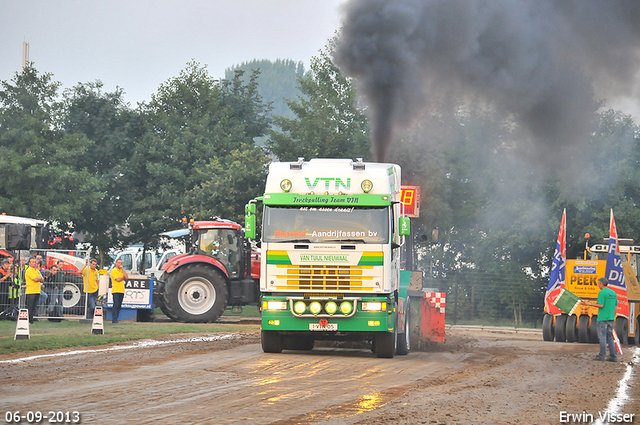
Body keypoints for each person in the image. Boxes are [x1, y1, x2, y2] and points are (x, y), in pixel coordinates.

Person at [583, 277, 618, 362]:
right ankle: (613, 356)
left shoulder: (602, 293)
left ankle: (602, 355)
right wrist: (613, 317)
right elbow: (615, 306)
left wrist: (589, 303)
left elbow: (601, 305)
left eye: (598, 283)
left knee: (602, 337)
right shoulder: (613, 293)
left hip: (602, 318)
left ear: (601, 284)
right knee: (610, 337)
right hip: (611, 318)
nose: (598, 285)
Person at [24, 257, 45, 324]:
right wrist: (39, 278)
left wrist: (39, 278)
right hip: (31, 291)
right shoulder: (29, 270)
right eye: (32, 262)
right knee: (30, 307)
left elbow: (42, 279)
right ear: (29, 263)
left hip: (37, 290)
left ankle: (31, 320)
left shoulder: (37, 270)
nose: (34, 263)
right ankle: (28, 320)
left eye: (35, 262)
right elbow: (35, 279)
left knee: (34, 307)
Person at [109, 258, 128, 323]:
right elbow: (118, 279)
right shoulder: (113, 271)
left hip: (121, 290)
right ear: (116, 263)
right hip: (116, 290)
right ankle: (114, 319)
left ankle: (116, 317)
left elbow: (127, 277)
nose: (120, 264)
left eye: (121, 263)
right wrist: (123, 278)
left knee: (119, 305)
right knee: (116, 304)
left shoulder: (121, 271)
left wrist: (122, 269)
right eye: (119, 263)